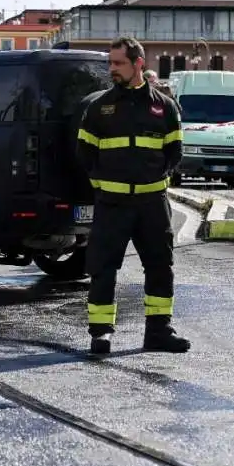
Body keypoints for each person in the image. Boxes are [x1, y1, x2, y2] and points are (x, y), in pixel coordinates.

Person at [76, 36, 191, 356]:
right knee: (103, 268)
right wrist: (103, 185)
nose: (112, 69)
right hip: (112, 205)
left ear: (138, 64)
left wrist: (154, 179)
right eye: (110, 63)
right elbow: (84, 154)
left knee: (160, 267)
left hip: (152, 205)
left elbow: (174, 152)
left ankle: (159, 331)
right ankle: (101, 334)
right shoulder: (99, 107)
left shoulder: (164, 107)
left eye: (118, 63)